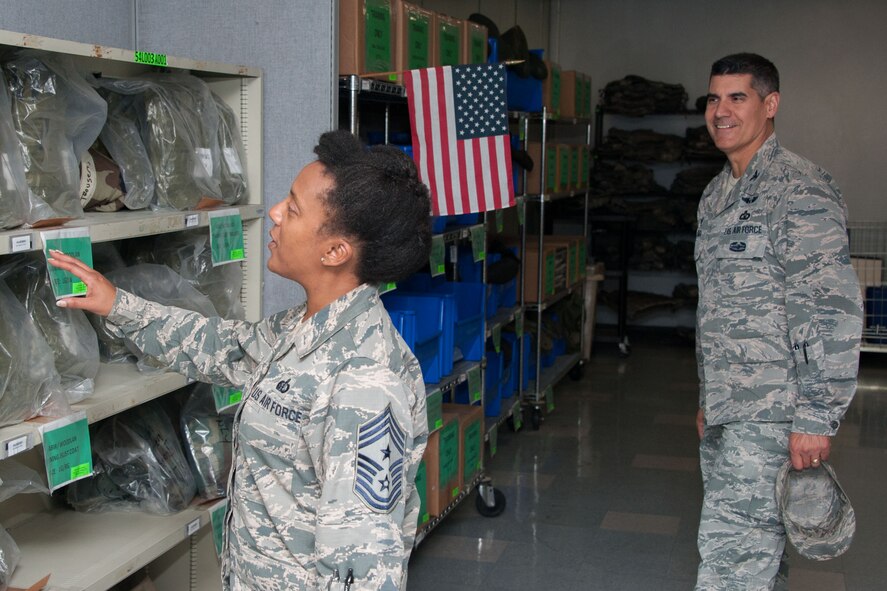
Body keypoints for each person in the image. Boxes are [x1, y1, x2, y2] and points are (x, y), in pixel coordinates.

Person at [49, 130, 432, 590]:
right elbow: (220, 346)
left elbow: (363, 570)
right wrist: (117, 305)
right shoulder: (303, 328)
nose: (274, 213)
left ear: (335, 251)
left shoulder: (364, 383)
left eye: (292, 209)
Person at [694, 53, 863, 589]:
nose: (721, 111)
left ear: (770, 105)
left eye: (737, 98)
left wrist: (816, 415)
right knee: (757, 550)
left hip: (773, 409)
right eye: (713, 98)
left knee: (731, 557)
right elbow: (713, 309)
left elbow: (829, 307)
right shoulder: (715, 195)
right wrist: (707, 397)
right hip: (728, 406)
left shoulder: (800, 189)